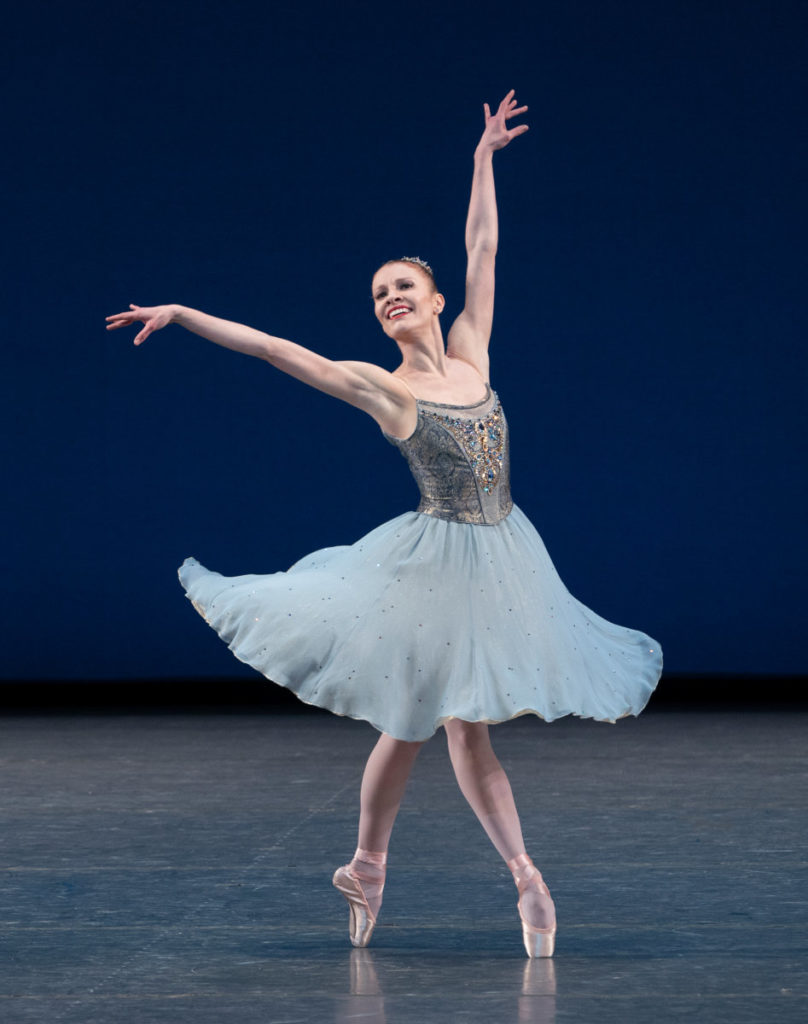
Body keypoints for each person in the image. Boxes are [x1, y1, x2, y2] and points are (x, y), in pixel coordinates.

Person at [106, 91, 662, 958]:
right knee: (422, 720)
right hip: (433, 565)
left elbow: (483, 246)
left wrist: (481, 159)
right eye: (378, 294)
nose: (390, 298)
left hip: (504, 555)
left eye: (403, 287)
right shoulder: (385, 388)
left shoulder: (473, 350)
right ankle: (476, 873)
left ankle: (410, 869)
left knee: (441, 726)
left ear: (436, 301)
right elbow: (279, 350)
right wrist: (182, 315)